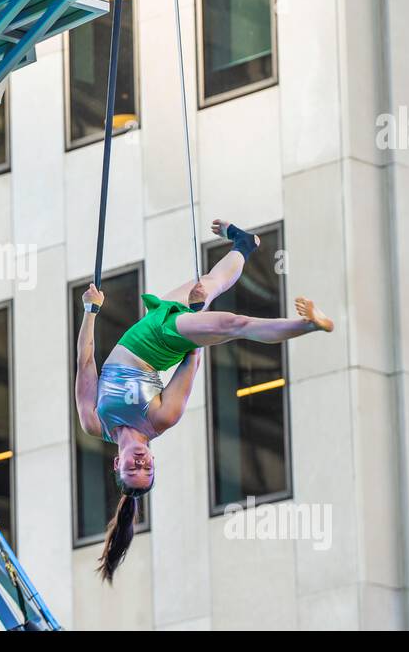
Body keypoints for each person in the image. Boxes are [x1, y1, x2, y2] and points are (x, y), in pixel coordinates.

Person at [73, 220, 335, 583]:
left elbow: (86, 362)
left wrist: (91, 311)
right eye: (147, 469)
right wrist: (195, 317)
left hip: (146, 327)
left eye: (132, 470)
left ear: (116, 464)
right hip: (162, 341)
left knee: (210, 284)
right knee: (234, 324)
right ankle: (311, 325)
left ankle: (243, 244)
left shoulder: (94, 423)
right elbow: (191, 361)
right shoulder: (161, 419)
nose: (140, 463)